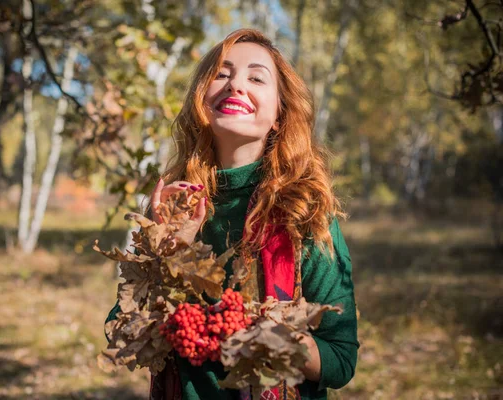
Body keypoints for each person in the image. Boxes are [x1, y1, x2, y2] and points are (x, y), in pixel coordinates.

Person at [106, 28, 359, 400]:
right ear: (200, 100)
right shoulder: (172, 207)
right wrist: (168, 252)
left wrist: (278, 339)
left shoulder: (305, 213)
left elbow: (340, 359)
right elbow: (120, 332)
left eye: (256, 77)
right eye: (221, 74)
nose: (235, 85)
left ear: (279, 115)